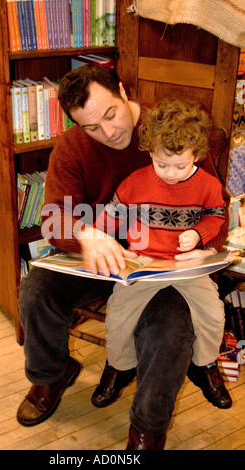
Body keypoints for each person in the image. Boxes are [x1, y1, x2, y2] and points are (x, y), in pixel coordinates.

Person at [16, 65, 231, 450]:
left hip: (164, 259)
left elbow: (215, 205)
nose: (109, 132)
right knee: (36, 290)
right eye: (91, 127)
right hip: (100, 255)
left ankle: (148, 427)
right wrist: (88, 233)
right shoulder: (73, 147)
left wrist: (203, 248)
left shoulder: (171, 130)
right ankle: (52, 374)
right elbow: (52, 217)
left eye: (111, 114)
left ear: (121, 90)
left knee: (169, 329)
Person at [93, 98, 232, 401]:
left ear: (196, 155)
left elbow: (217, 215)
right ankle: (119, 367)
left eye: (180, 166)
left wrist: (199, 233)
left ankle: (205, 365)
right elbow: (110, 218)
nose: (170, 173)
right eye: (161, 163)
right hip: (143, 262)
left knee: (213, 313)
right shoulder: (135, 182)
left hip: (186, 264)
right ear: (150, 152)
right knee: (117, 313)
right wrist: (104, 240)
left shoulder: (207, 184)